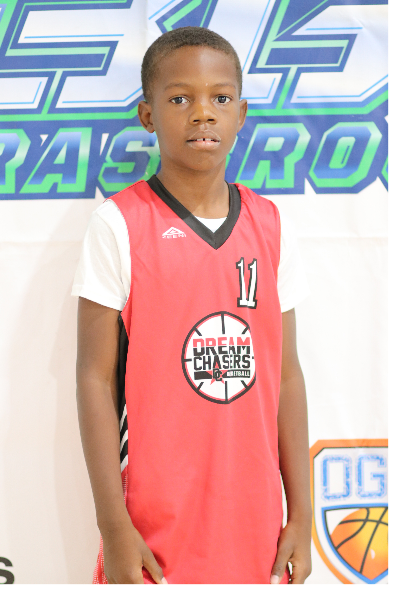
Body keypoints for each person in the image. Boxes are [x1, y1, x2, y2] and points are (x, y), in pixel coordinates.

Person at [73, 26, 312, 586]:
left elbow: (287, 375)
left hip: (256, 527)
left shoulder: (271, 226)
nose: (203, 112)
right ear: (148, 116)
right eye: (180, 99)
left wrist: (301, 515)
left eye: (220, 98)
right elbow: (94, 379)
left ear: (242, 114)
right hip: (155, 529)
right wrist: (114, 525)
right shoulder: (118, 224)